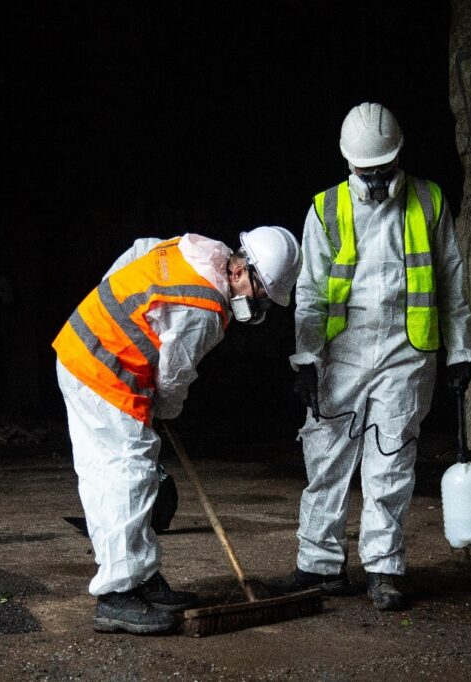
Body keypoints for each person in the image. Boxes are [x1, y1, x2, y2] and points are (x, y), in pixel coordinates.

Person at [277, 102, 471, 610]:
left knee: (390, 461)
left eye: (383, 170)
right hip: (340, 354)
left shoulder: (429, 202)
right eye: (366, 173)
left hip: (406, 352)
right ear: (349, 164)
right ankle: (319, 565)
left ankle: (384, 568)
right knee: (326, 459)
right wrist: (305, 359)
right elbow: (310, 292)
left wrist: (461, 350)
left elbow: (453, 280)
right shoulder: (325, 208)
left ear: (398, 159)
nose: (375, 181)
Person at [53, 226, 301, 634]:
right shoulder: (205, 307)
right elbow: (173, 375)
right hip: (103, 372)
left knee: (128, 476)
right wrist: (166, 410)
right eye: (261, 295)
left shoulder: (201, 251)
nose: (259, 306)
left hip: (91, 352)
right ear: (243, 274)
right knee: (125, 478)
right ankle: (117, 595)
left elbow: (139, 251)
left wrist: (109, 308)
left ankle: (141, 576)